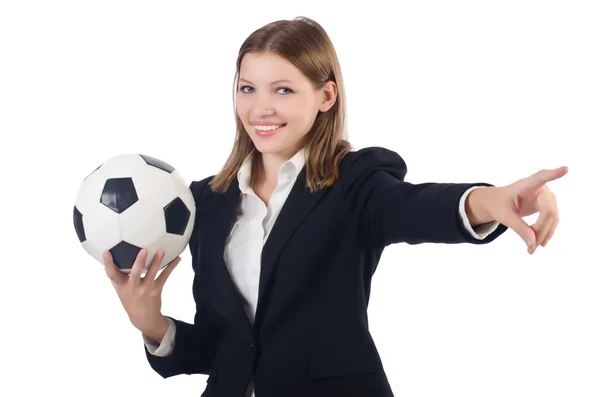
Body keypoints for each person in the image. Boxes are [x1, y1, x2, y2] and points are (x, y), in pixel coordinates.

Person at [103, 16, 568, 397]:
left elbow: (418, 206)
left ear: (325, 96)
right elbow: (223, 350)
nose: (260, 108)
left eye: (282, 90)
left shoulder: (354, 184)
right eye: (248, 89)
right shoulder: (207, 202)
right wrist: (152, 324)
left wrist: (495, 199)